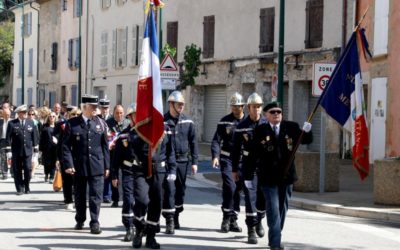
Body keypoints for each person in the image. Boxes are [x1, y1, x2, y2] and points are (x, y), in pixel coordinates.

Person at [253, 102, 312, 250]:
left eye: (278, 111)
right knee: (273, 210)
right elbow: (253, 154)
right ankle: (275, 244)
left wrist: (307, 131)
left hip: (286, 178)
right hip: (268, 178)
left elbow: (306, 140)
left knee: (281, 210)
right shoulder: (260, 130)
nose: (276, 114)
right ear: (266, 115)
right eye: (272, 112)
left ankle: (275, 234)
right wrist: (247, 176)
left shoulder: (290, 127)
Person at [62, 94, 110, 234]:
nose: (95, 109)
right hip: (79, 165)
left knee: (96, 195)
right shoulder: (72, 123)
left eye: (96, 107)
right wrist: (68, 164)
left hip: (97, 165)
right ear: (84, 107)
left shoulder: (101, 123)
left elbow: (105, 147)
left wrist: (107, 166)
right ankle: (80, 219)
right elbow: (65, 146)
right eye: (93, 107)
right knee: (80, 195)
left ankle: (95, 222)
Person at [131, 114, 176, 249]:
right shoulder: (138, 127)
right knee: (142, 200)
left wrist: (172, 169)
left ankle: (151, 236)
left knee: (156, 203)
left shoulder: (166, 128)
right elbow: (132, 144)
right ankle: (139, 230)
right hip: (141, 169)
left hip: (159, 170)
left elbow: (170, 152)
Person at [232, 93, 266, 244]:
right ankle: (251, 229)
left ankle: (259, 220)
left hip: (264, 168)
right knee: (250, 198)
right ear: (249, 107)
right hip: (248, 168)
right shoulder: (241, 127)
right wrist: (234, 169)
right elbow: (235, 150)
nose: (257, 110)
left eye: (259, 107)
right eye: (254, 107)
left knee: (262, 198)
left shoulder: (266, 124)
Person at [162, 90, 198, 234]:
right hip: (168, 162)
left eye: (183, 104)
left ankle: (176, 214)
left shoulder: (188, 121)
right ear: (171, 104)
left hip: (183, 160)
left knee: (180, 191)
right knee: (169, 190)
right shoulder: (163, 121)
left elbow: (194, 142)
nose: (181, 107)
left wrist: (194, 161)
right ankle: (169, 219)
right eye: (179, 104)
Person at [211, 92, 246, 233]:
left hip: (242, 161)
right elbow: (216, 140)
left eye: (237, 106)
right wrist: (215, 156)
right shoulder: (225, 121)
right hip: (227, 159)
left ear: (243, 106)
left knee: (237, 189)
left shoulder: (247, 122)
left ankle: (233, 219)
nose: (235, 109)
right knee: (230, 186)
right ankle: (226, 218)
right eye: (233, 106)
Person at [111, 103, 137, 242]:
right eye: (135, 115)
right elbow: (116, 159)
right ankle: (129, 227)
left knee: (142, 201)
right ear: (130, 117)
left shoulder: (145, 134)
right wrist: (114, 175)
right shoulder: (123, 136)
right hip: (127, 171)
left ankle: (139, 225)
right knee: (128, 199)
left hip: (141, 172)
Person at [6, 104, 39, 195]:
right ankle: (19, 188)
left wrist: (36, 153)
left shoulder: (31, 122)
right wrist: (9, 152)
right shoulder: (12, 123)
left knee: (28, 169)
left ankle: (26, 186)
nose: (25, 114)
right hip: (16, 151)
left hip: (28, 151)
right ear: (18, 113)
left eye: (25, 112)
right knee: (17, 170)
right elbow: (8, 138)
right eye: (23, 112)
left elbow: (35, 138)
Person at [104, 104, 129, 207]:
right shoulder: (108, 123)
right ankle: (115, 199)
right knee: (114, 176)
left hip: (125, 154)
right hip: (112, 153)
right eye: (117, 113)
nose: (119, 115)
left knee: (126, 176)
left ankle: (126, 199)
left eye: (121, 113)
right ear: (113, 113)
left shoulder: (127, 123)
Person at [39, 112, 58, 183]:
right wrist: (40, 149)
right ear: (48, 117)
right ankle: (46, 174)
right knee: (46, 163)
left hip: (55, 147)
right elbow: (41, 138)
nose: (52, 117)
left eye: (53, 116)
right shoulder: (45, 126)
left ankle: (52, 176)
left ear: (55, 117)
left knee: (53, 162)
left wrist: (58, 141)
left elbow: (61, 136)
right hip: (46, 147)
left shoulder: (57, 126)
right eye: (50, 116)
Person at [0, 109, 12, 179]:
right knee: (3, 157)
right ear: (3, 114)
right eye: (5, 114)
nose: (7, 116)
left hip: (12, 141)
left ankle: (13, 172)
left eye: (8, 114)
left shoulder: (13, 121)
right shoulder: (0, 122)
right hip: (3, 141)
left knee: (12, 157)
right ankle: (4, 173)